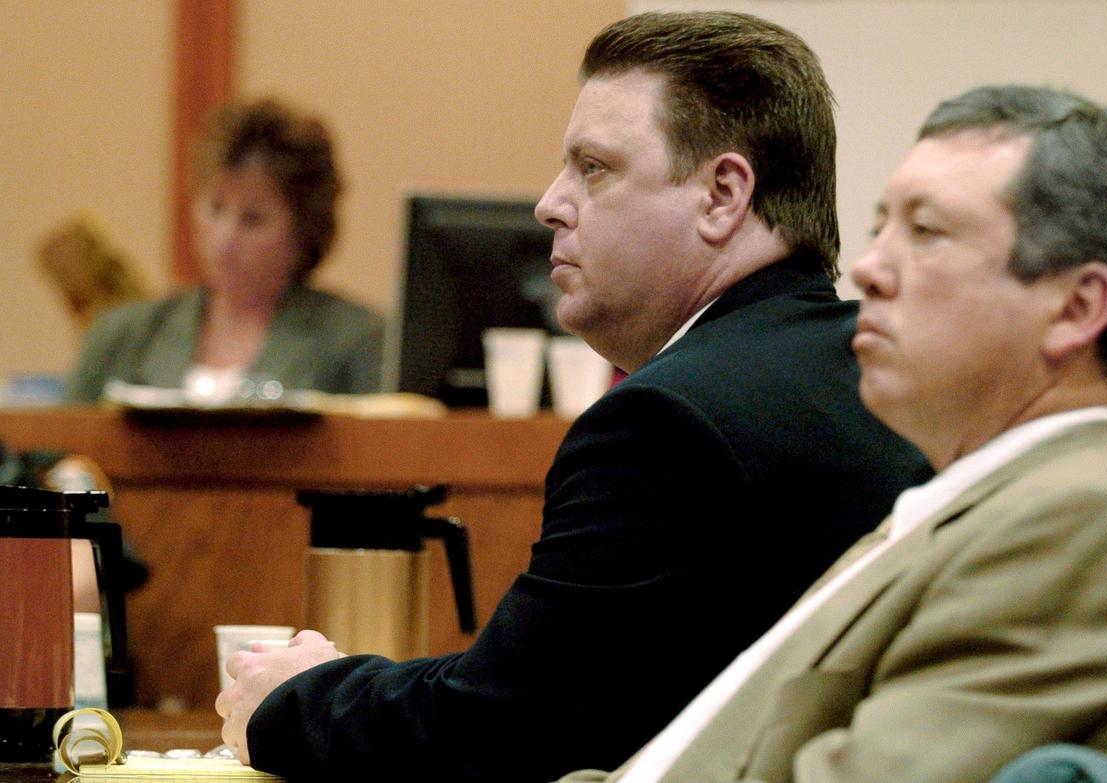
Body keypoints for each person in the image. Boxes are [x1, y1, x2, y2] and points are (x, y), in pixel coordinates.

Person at [215, 12, 930, 782]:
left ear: (723, 194)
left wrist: (298, 696)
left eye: (594, 168)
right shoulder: (887, 373)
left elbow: (498, 728)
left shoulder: (667, 420)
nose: (550, 204)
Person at [556, 84, 1107, 783]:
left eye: (926, 232)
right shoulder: (968, 501)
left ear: (1076, 307)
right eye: (880, 226)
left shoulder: (1084, 519)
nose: (869, 268)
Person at [66, 97, 385, 403]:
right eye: (216, 208)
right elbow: (63, 453)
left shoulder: (357, 344)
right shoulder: (122, 337)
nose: (224, 237)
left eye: (253, 220)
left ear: (303, 232)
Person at [35, 214, 149, 332]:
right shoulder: (95, 324)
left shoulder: (125, 320)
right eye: (57, 274)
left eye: (68, 270)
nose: (65, 282)